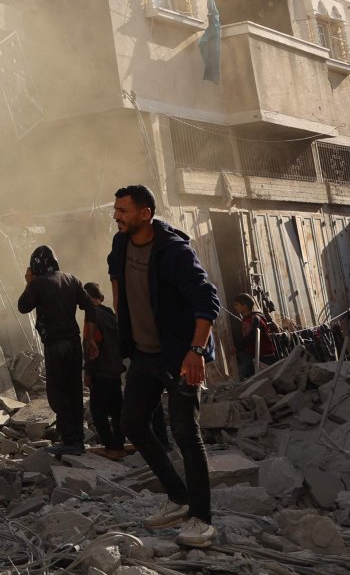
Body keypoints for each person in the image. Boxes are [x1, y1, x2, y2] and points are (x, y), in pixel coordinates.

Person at [109, 184, 221, 548]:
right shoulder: (121, 243)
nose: (116, 216)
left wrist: (196, 351)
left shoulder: (174, 251)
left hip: (180, 354)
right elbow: (118, 284)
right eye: (116, 209)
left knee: (186, 434)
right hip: (145, 354)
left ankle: (201, 519)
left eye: (123, 210)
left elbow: (207, 299)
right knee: (132, 423)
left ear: (146, 213)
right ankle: (178, 496)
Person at [17, 245, 94, 455]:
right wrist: (91, 338)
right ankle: (77, 440)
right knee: (74, 391)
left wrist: (29, 283)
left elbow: (23, 306)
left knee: (58, 393)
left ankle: (69, 440)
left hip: (55, 344)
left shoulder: (38, 284)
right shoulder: (72, 279)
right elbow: (89, 304)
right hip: (73, 343)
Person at [82, 282, 126, 458]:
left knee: (98, 412)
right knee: (117, 411)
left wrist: (88, 372)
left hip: (100, 372)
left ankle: (110, 447)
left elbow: (91, 348)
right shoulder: (111, 315)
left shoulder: (91, 318)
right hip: (115, 371)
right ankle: (120, 444)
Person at [231, 294, 277, 380]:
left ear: (245, 306)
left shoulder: (255, 318)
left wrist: (238, 347)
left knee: (268, 380)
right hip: (253, 355)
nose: (235, 307)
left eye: (237, 304)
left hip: (264, 355)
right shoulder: (246, 319)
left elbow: (253, 336)